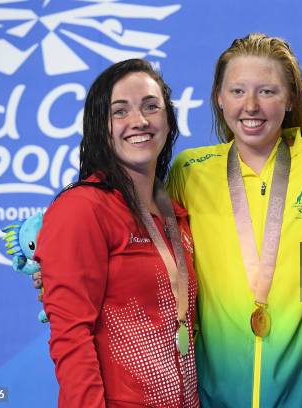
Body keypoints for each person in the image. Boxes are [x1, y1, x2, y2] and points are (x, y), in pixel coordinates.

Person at [167, 33, 302, 407]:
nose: (251, 106)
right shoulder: (189, 170)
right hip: (213, 394)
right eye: (237, 91)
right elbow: (151, 251)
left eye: (267, 92)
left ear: (290, 99)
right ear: (219, 98)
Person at [34, 59, 199, 407]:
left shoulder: (176, 214)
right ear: (99, 126)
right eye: (120, 111)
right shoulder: (83, 209)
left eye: (151, 107)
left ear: (168, 120)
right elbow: (71, 337)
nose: (139, 121)